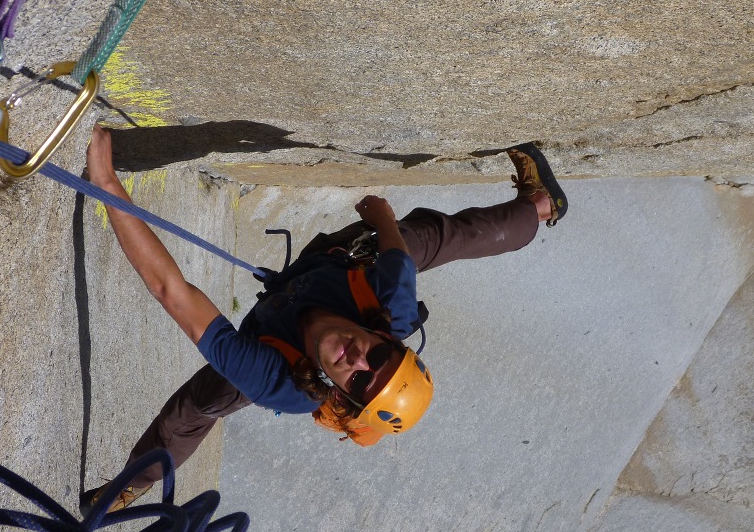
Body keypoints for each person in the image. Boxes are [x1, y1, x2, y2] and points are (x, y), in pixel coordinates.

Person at [82, 125, 567, 512]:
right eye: (377, 355)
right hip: (339, 266)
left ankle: (128, 488)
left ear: (340, 393)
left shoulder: (278, 383)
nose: (357, 359)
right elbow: (397, 249)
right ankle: (540, 206)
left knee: (189, 412)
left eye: (359, 382)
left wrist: (105, 181)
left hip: (280, 341)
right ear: (387, 335)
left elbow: (174, 292)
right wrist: (380, 214)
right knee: (436, 236)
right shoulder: (391, 300)